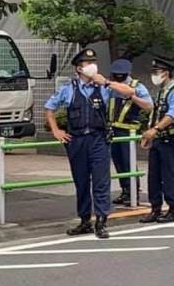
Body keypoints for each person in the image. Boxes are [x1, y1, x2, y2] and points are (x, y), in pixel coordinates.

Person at [45, 49, 136, 239]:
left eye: (93, 61)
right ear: (79, 68)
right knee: (81, 181)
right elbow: (50, 108)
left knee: (101, 181)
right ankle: (85, 220)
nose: (92, 65)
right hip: (77, 140)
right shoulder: (68, 89)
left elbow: (129, 92)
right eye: (87, 63)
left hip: (99, 139)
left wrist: (107, 82)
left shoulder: (103, 87)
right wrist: (56, 130)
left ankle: (101, 221)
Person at [107, 59, 152, 206]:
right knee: (119, 162)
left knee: (128, 162)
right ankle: (125, 191)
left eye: (121, 75)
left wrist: (133, 97)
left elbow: (149, 106)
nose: (118, 77)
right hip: (112, 129)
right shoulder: (111, 86)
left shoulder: (137, 87)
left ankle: (133, 192)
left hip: (128, 131)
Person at [139, 57, 174, 224]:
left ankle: (172, 208)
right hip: (158, 139)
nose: (154, 76)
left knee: (169, 175)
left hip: (170, 139)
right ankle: (155, 208)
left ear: (166, 73)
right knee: (154, 175)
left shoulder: (173, 90)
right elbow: (156, 113)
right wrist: (149, 133)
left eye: (156, 72)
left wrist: (155, 130)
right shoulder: (161, 91)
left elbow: (171, 115)